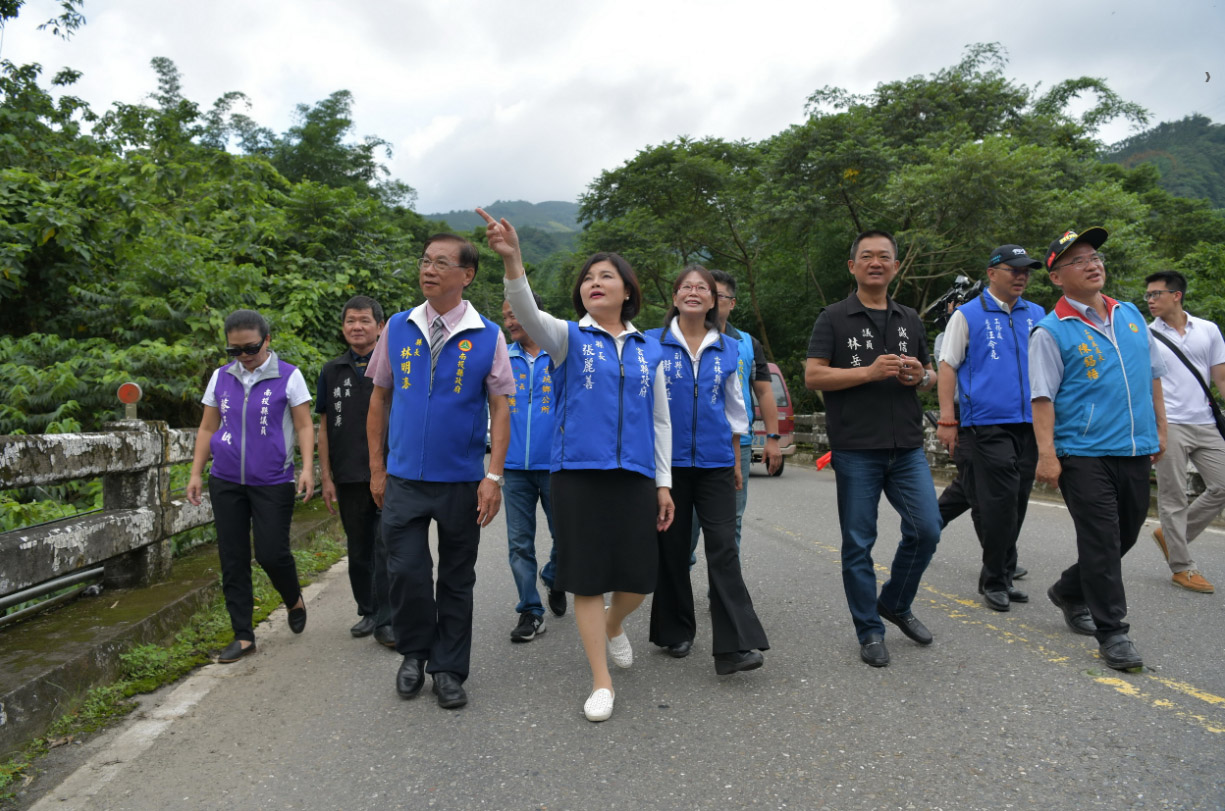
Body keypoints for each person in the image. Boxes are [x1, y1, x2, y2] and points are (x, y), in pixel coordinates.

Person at [481, 207, 674, 723]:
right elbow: (526, 310)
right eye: (588, 277)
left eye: (606, 276)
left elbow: (660, 421)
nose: (594, 283)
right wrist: (513, 260)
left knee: (639, 579)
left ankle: (613, 625)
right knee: (586, 579)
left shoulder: (650, 349)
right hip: (576, 475)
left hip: (635, 475)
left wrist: (663, 483)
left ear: (627, 291)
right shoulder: (567, 338)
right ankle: (601, 681)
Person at [365, 233, 514, 710]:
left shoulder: (488, 335)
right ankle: (414, 654)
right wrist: (377, 467)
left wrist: (493, 477)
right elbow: (379, 397)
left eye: (441, 263)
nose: (428, 269)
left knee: (456, 577)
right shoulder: (398, 326)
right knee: (406, 572)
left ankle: (448, 668)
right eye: (425, 261)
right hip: (404, 479)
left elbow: (501, 407)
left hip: (461, 481)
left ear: (466, 275)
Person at [1030, 227, 1167, 671]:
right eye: (1078, 261)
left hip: (1134, 447)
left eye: (1095, 257)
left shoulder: (1130, 315)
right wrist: (1047, 454)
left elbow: (1153, 376)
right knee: (1102, 540)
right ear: (1056, 278)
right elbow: (1042, 398)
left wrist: (1161, 429)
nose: (1092, 265)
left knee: (1126, 533)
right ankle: (1113, 633)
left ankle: (1069, 590)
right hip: (1082, 451)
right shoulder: (1051, 331)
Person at [804, 230, 941, 668]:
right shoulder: (833, 317)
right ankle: (869, 630)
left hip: (907, 447)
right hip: (856, 448)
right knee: (858, 543)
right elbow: (813, 376)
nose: (876, 263)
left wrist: (921, 376)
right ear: (853, 266)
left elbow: (931, 376)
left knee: (927, 529)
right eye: (867, 256)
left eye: (884, 257)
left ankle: (895, 602)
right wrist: (866, 372)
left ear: (895, 267)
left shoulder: (909, 318)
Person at [647, 265, 769, 673]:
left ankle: (734, 647)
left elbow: (735, 410)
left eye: (702, 288)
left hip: (716, 463)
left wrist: (735, 460)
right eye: (686, 286)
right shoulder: (652, 343)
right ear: (675, 296)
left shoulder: (729, 348)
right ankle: (674, 632)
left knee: (723, 548)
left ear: (714, 300)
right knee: (672, 549)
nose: (694, 292)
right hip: (668, 465)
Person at [186, 309, 314, 663]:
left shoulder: (289, 376)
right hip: (226, 479)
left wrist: (307, 468)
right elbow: (207, 427)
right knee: (233, 557)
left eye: (251, 348)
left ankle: (293, 599)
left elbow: (304, 425)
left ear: (267, 340)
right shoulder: (221, 377)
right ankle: (243, 635)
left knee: (271, 553)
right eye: (235, 350)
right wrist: (196, 473)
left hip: (273, 480)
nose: (244, 356)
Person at [935, 245, 1045, 611]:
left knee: (1017, 502)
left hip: (1030, 423)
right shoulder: (967, 315)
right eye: (1014, 269)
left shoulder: (1038, 315)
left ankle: (1002, 575)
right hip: (986, 424)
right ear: (992, 273)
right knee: (998, 504)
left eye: (1026, 270)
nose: (1021, 276)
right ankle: (996, 580)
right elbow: (947, 366)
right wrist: (947, 419)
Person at [687, 268, 782, 564]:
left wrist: (773, 438)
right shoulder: (681, 338)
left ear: (732, 302)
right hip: (689, 444)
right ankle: (678, 577)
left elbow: (764, 392)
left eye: (719, 296)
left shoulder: (747, 344)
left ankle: (725, 584)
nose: (712, 301)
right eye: (707, 293)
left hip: (736, 444)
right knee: (686, 522)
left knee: (731, 521)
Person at [317, 295, 395, 647]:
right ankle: (368, 609)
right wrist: (326, 476)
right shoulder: (331, 371)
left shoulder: (394, 367)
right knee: (359, 547)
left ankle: (388, 616)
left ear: (380, 327)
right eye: (351, 321)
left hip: (390, 472)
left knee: (386, 545)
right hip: (348, 474)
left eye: (365, 321)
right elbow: (323, 427)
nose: (357, 327)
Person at [1144, 270, 1223, 594]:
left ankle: (1172, 535)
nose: (1150, 300)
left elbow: (1220, 378)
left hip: (1205, 422)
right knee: (1173, 497)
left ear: (1176, 295)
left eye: (1156, 294)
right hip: (1169, 423)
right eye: (1148, 295)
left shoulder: (1208, 330)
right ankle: (1182, 567)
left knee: (1222, 485)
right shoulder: (1146, 334)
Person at [502, 292, 565, 643]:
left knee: (567, 536)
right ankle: (530, 610)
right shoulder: (501, 356)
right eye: (506, 316)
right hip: (513, 468)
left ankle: (554, 575)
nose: (510, 322)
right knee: (519, 544)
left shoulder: (560, 354)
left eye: (515, 314)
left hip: (557, 466)